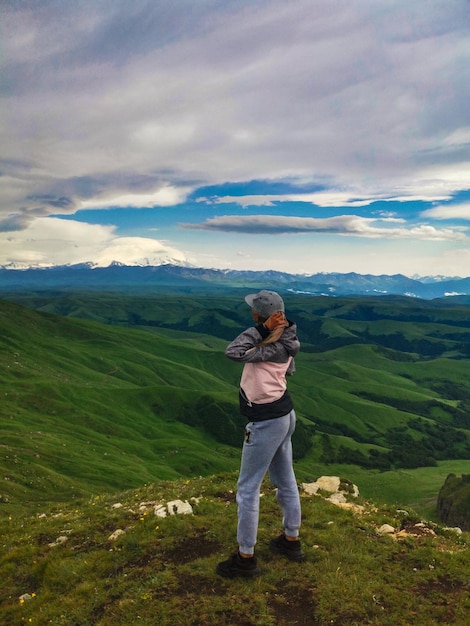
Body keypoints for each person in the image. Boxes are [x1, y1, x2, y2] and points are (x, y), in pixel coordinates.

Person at [216, 290, 304, 578]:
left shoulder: (268, 344)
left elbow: (233, 352)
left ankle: (245, 559)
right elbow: (288, 372)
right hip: (284, 414)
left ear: (259, 315)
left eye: (254, 310)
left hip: (266, 420)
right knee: (285, 479)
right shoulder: (288, 340)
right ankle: (291, 541)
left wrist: (260, 332)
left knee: (248, 488)